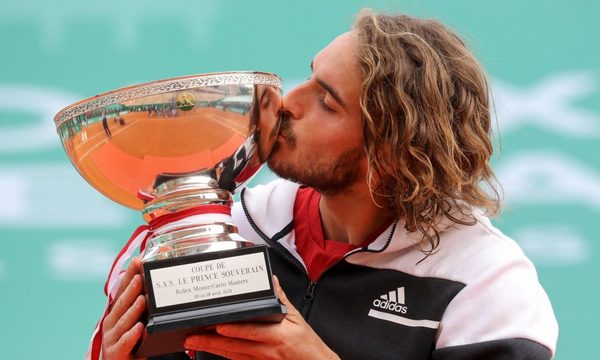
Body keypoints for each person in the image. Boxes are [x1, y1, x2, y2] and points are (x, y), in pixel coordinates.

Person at [99, 9, 558, 360]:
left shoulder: (485, 285)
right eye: (309, 76)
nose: (286, 103)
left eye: (327, 101)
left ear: (392, 152)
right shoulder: (229, 229)